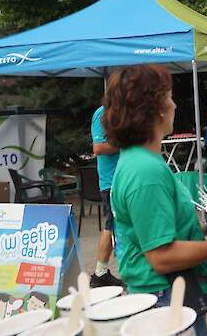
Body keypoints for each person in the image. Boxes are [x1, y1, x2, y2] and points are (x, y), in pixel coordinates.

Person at [105, 65, 207, 336]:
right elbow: (162, 256)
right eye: (168, 96)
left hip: (169, 294)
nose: (175, 105)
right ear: (152, 108)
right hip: (165, 299)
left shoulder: (144, 161)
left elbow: (164, 230)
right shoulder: (145, 171)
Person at [89, 104, 124, 288]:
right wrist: (126, 143)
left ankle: (100, 273)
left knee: (110, 224)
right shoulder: (103, 113)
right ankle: (103, 273)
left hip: (123, 179)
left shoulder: (127, 110)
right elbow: (98, 148)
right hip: (112, 182)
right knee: (115, 225)